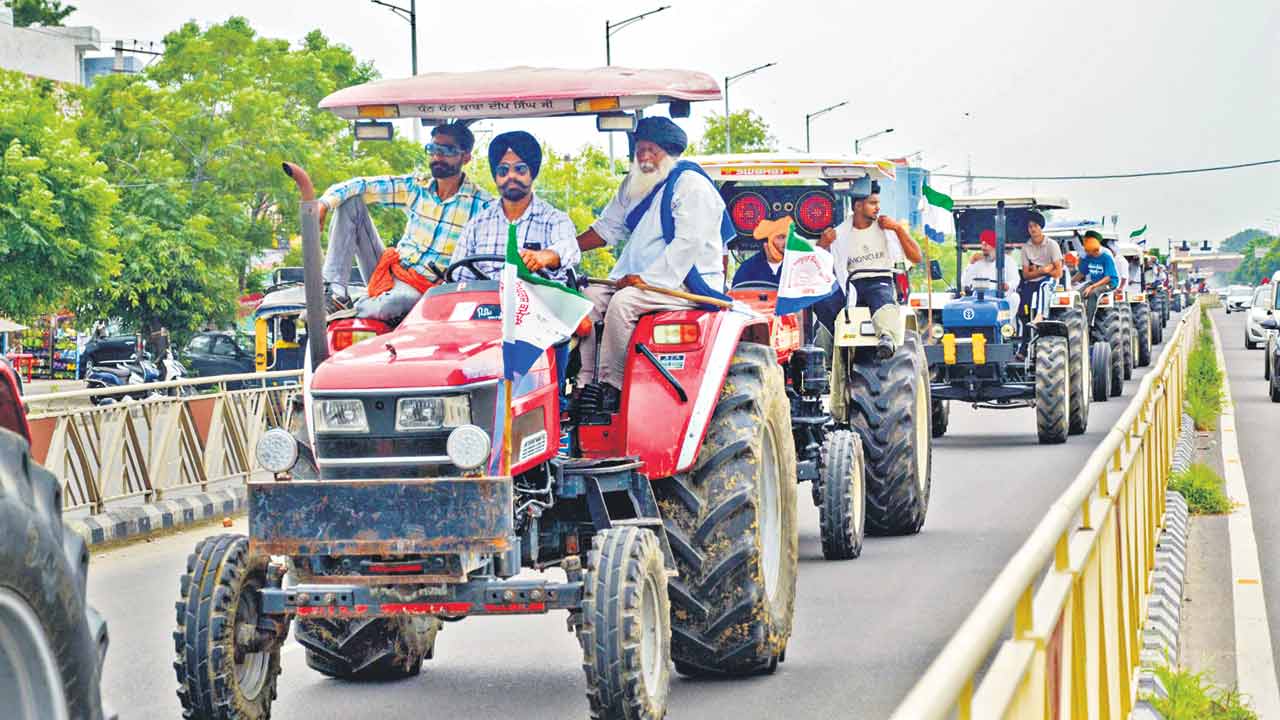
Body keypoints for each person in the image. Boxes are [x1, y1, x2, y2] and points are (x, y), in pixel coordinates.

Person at [574, 116, 732, 412]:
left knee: (623, 303)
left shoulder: (692, 185)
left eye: (652, 151)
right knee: (589, 298)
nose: (645, 158)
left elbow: (687, 244)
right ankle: (586, 383)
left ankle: (612, 387)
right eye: (640, 150)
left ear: (670, 154)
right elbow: (607, 229)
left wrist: (647, 279)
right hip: (637, 281)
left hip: (685, 283)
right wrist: (563, 249)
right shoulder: (632, 185)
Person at [317, 123, 492, 320]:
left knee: (390, 304)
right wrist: (323, 204)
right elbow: (361, 184)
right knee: (350, 201)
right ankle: (337, 294)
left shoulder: (482, 206)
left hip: (425, 288)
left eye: (447, 151)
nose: (437, 157)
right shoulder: (416, 187)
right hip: (390, 268)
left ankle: (358, 308)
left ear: (465, 157)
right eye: (433, 149)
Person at [449, 131, 579, 283]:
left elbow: (570, 249)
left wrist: (546, 255)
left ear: (532, 173)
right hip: (486, 296)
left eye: (520, 169)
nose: (511, 176)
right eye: (503, 170)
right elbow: (457, 279)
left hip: (538, 297)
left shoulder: (555, 220)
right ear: (495, 176)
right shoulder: (477, 224)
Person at [816, 181, 923, 359]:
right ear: (858, 206)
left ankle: (887, 338)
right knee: (824, 302)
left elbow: (917, 257)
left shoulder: (888, 229)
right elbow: (817, 263)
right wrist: (823, 244)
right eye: (873, 203)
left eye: (878, 203)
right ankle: (823, 354)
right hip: (851, 283)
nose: (878, 208)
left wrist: (898, 229)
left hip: (880, 279)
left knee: (880, 296)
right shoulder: (840, 233)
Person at [1018, 211, 1063, 325]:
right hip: (1032, 281)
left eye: (1035, 226)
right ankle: (1022, 328)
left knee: (1044, 286)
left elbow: (1058, 273)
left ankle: (1040, 316)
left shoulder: (1052, 244)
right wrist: (1043, 270)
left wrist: (1037, 270)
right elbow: (1026, 275)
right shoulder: (1025, 248)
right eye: (1030, 226)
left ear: (1041, 227)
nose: (1033, 229)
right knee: (1021, 297)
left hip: (1050, 281)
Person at [1072, 230, 1119, 324]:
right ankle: (1079, 317)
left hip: (1109, 283)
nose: (1086, 252)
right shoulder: (1089, 258)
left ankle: (1089, 322)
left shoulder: (1106, 258)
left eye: (1088, 251)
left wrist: (1092, 287)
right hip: (1095, 282)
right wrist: (1071, 281)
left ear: (1095, 250)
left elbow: (1108, 277)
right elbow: (1082, 273)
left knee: (1093, 293)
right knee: (1077, 294)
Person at [731, 216, 793, 287]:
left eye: (790, 236)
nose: (787, 241)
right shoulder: (747, 268)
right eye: (781, 237)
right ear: (767, 242)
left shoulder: (798, 265)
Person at [961, 229, 1020, 296]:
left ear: (995, 247)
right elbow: (965, 283)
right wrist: (971, 263)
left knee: (1015, 297)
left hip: (1003, 297)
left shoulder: (1009, 261)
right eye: (982, 245)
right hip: (981, 298)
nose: (983, 248)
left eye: (986, 245)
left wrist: (1008, 285)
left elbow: (1015, 280)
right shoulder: (977, 262)